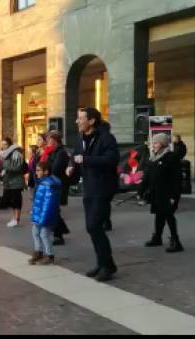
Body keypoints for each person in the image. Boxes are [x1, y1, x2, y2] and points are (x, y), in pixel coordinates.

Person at [66, 107, 119, 282]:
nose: (77, 121)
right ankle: (103, 263)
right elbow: (74, 157)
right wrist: (71, 166)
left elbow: (112, 159)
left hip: (103, 188)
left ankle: (108, 266)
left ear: (91, 121)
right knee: (92, 228)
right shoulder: (81, 138)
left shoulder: (106, 138)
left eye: (80, 118)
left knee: (94, 226)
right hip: (89, 188)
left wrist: (86, 160)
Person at [141, 133, 184, 253]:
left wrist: (174, 196)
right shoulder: (154, 157)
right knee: (159, 215)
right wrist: (142, 190)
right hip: (157, 192)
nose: (152, 145)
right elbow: (148, 175)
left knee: (169, 216)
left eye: (155, 142)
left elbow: (176, 179)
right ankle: (157, 237)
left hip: (168, 193)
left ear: (162, 144)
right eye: (152, 143)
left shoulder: (171, 157)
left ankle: (176, 241)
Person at [29, 161, 61, 265]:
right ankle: (38, 252)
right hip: (39, 215)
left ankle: (50, 255)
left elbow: (48, 204)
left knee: (44, 234)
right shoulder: (42, 183)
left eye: (38, 170)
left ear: (46, 172)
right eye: (36, 170)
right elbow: (38, 202)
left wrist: (42, 218)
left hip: (45, 217)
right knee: (35, 232)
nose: (36, 173)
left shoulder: (48, 185)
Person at [0, 137, 26, 228]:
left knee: (16, 201)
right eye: (2, 144)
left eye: (5, 144)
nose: (3, 146)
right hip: (8, 181)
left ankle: (17, 219)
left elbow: (19, 168)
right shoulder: (4, 155)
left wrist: (6, 170)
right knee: (11, 201)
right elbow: (4, 166)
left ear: (9, 145)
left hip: (16, 181)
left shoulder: (16, 154)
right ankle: (14, 218)